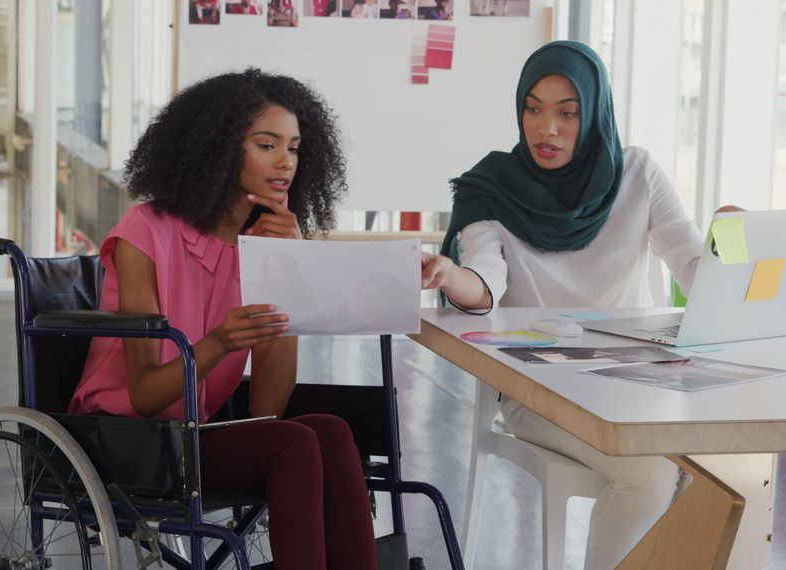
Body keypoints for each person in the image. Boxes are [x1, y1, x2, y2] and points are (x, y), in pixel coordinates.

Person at [420, 41, 740, 568]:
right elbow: (486, 283)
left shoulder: (636, 174)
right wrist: (453, 275)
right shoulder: (491, 188)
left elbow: (694, 272)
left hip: (640, 383)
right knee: (652, 474)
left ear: (593, 112)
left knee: (723, 466)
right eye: (534, 108)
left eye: (567, 113)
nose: (547, 128)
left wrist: (730, 241)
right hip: (538, 391)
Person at [69, 69, 378, 569]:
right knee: (295, 441)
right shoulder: (143, 233)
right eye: (266, 144)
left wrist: (290, 271)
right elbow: (146, 396)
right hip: (126, 441)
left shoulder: (265, 244)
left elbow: (267, 408)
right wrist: (219, 343)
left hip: (193, 435)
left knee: (329, 430)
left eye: (295, 148)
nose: (285, 162)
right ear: (218, 147)